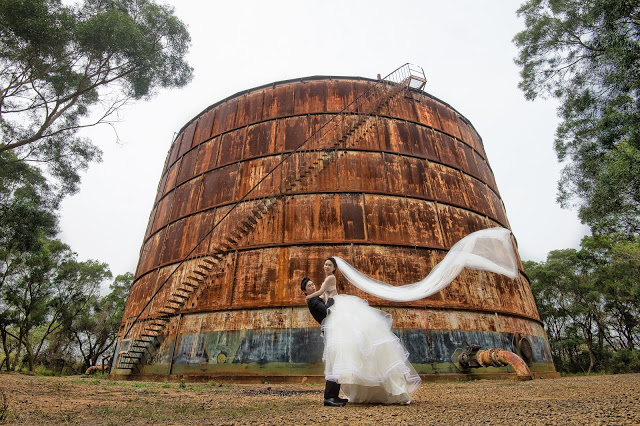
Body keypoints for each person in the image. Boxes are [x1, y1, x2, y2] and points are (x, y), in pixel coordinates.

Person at [305, 258, 421, 404]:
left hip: (337, 307)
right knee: (347, 346)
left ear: (334, 268)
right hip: (334, 308)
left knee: (350, 342)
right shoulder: (326, 279)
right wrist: (321, 298)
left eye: (329, 265)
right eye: (325, 264)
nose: (326, 266)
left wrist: (309, 296)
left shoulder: (330, 277)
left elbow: (322, 292)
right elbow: (323, 295)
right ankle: (332, 395)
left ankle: (332, 395)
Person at [300, 277, 348, 407]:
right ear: (305, 290)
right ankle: (329, 397)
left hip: (331, 330)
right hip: (330, 332)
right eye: (309, 286)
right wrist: (332, 297)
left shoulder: (315, 298)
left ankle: (334, 396)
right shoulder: (313, 300)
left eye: (313, 284)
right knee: (333, 362)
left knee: (337, 361)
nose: (313, 287)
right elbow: (327, 312)